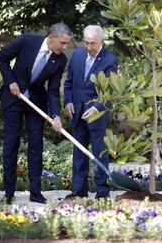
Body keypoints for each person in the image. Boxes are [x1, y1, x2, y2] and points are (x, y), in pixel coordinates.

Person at [0, 23, 73, 204]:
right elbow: (2, 58)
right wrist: (10, 82)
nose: (65, 47)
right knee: (11, 144)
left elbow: (53, 90)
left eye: (67, 44)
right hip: (14, 97)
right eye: (62, 43)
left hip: (36, 103)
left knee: (36, 147)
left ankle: (36, 193)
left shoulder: (60, 60)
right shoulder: (26, 41)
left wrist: (55, 115)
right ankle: (8, 193)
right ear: (51, 37)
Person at [64, 25, 118, 199]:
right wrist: (68, 102)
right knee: (79, 152)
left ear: (101, 41)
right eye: (86, 43)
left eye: (92, 44)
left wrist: (95, 108)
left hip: (97, 114)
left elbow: (109, 91)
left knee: (99, 152)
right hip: (77, 112)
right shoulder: (78, 55)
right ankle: (78, 190)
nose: (88, 47)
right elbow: (69, 83)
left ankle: (102, 191)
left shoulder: (110, 60)